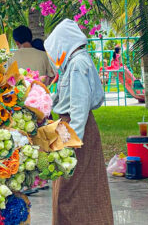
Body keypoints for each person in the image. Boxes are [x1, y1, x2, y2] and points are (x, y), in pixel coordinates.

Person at [45, 19, 113, 225]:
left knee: (71, 190)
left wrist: (71, 144)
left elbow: (79, 108)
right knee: (77, 187)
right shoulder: (76, 62)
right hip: (71, 128)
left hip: (75, 130)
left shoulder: (77, 65)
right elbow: (68, 99)